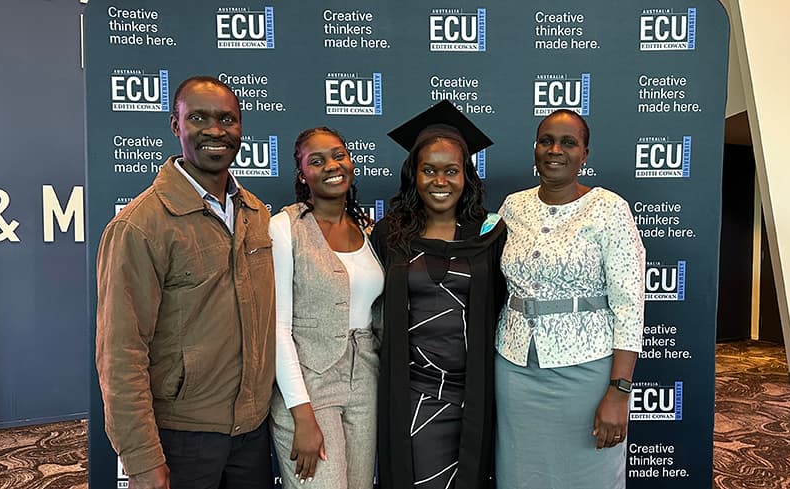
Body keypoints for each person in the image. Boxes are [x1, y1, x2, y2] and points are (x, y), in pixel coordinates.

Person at [95, 75, 275, 489]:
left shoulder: (256, 214)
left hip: (252, 432)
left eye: (227, 119)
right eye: (198, 117)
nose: (215, 130)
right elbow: (120, 353)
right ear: (176, 126)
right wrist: (141, 460)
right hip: (182, 437)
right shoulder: (140, 226)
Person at [494, 109, 645, 489]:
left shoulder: (609, 208)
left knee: (588, 475)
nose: (555, 150)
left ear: (585, 154)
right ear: (535, 149)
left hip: (586, 371)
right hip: (514, 367)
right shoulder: (513, 206)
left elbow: (629, 304)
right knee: (520, 473)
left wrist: (619, 391)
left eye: (568, 142)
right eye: (546, 141)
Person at [372, 100, 507, 489]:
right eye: (428, 170)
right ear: (413, 174)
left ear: (466, 175)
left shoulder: (490, 235)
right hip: (411, 391)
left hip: (473, 394)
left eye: (451, 170)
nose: (440, 180)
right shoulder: (390, 235)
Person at [269, 127, 383, 489]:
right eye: (316, 161)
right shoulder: (285, 227)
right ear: (302, 174)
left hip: (366, 378)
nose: (331, 166)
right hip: (309, 384)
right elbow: (278, 328)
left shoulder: (368, 229)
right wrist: (301, 414)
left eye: (338, 155)